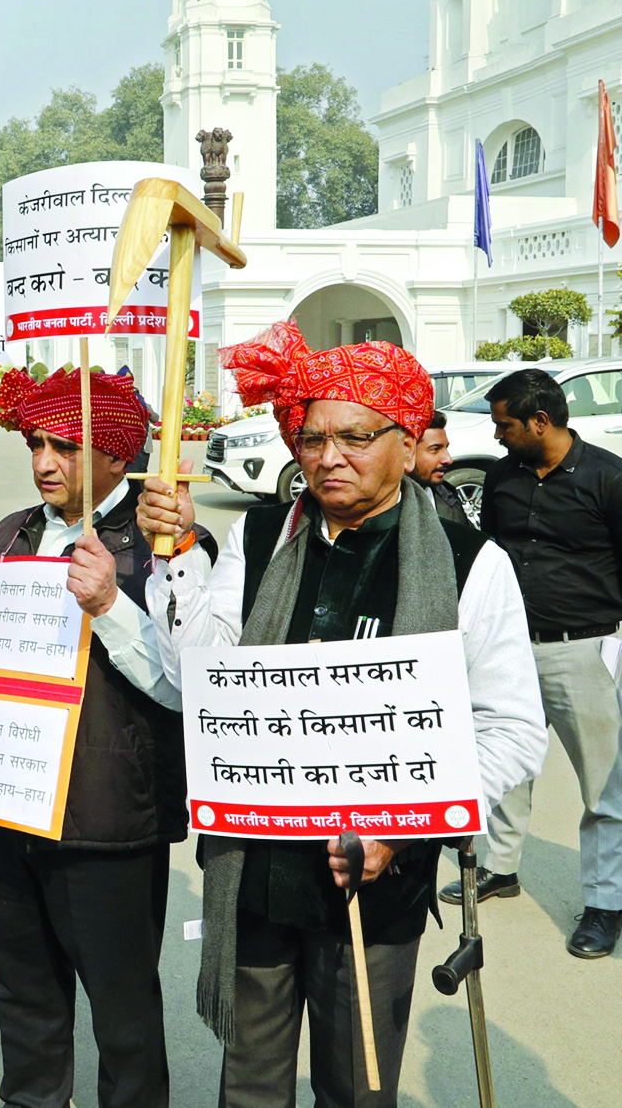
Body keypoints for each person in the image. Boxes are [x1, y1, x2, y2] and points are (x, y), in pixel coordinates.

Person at [136, 322, 546, 1108]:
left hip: (375, 882)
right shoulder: (258, 537)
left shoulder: (470, 563)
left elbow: (511, 727)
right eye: (313, 436)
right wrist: (180, 556)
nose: (329, 457)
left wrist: (405, 824)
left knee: (355, 1087)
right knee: (250, 1083)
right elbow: (202, 677)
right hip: (255, 870)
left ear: (407, 439)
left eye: (356, 437)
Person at [0, 365, 209, 1108]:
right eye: (39, 443)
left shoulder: (168, 543)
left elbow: (185, 688)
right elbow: (11, 659)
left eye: (68, 446)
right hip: (12, 807)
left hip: (107, 822)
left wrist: (111, 601)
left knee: (124, 1017)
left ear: (118, 455)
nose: (45, 461)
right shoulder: (14, 533)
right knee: (25, 998)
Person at [448, 368, 622, 959]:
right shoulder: (503, 475)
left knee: (604, 785)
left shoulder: (608, 478)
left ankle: (604, 904)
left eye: (504, 425)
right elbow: (490, 555)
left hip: (583, 649)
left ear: (539, 422)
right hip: (510, 649)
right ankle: (500, 868)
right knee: (507, 762)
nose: (496, 436)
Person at [407, 410, 466, 524]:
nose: (448, 459)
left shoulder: (448, 497)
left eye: (446, 448)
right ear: (407, 450)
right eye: (435, 449)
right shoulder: (380, 507)